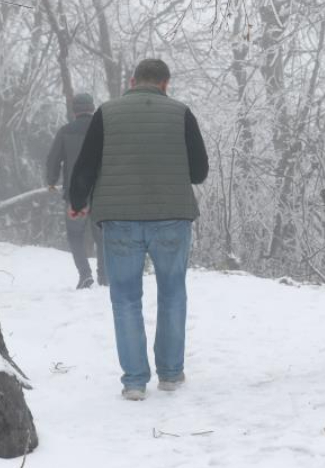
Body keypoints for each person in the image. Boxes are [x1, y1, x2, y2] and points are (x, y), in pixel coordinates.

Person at [69, 59, 209, 401]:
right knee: (173, 294)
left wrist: (78, 200)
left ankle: (134, 382)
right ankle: (171, 375)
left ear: (132, 81)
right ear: (165, 84)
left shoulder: (106, 113)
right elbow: (199, 171)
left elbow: (85, 163)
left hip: (120, 219)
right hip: (172, 218)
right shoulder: (181, 113)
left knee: (126, 299)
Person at [46, 92, 105, 289]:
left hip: (76, 194)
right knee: (102, 235)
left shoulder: (65, 131)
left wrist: (52, 180)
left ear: (74, 111)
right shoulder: (104, 130)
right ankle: (104, 276)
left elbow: (53, 158)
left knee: (75, 234)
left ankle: (85, 275)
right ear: (92, 108)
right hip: (101, 192)